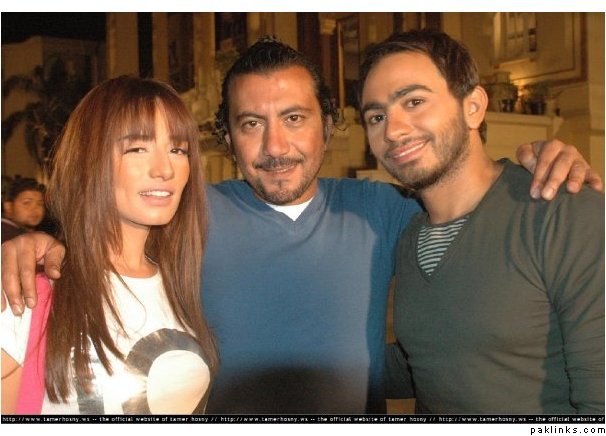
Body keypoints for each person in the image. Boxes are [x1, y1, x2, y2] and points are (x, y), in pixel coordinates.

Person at [1, 37, 602, 414]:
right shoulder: (189, 213)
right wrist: (37, 243)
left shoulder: (383, 209)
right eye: (251, 124)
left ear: (329, 127)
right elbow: (113, 232)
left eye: (294, 118)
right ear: (226, 137)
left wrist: (538, 160)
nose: (275, 146)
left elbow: (467, 197)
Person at [359, 29, 604, 414]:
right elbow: (429, 362)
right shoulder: (410, 236)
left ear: (473, 106)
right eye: (376, 116)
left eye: (414, 101)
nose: (393, 130)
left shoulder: (564, 212)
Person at [1, 76, 218, 415]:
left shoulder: (190, 285)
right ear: (89, 161)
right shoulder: (27, 292)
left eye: (178, 149)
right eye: (137, 149)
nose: (165, 169)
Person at [1, 177, 46, 243]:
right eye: (26, 203)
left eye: (40, 204)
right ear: (8, 207)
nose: (35, 208)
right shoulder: (8, 237)